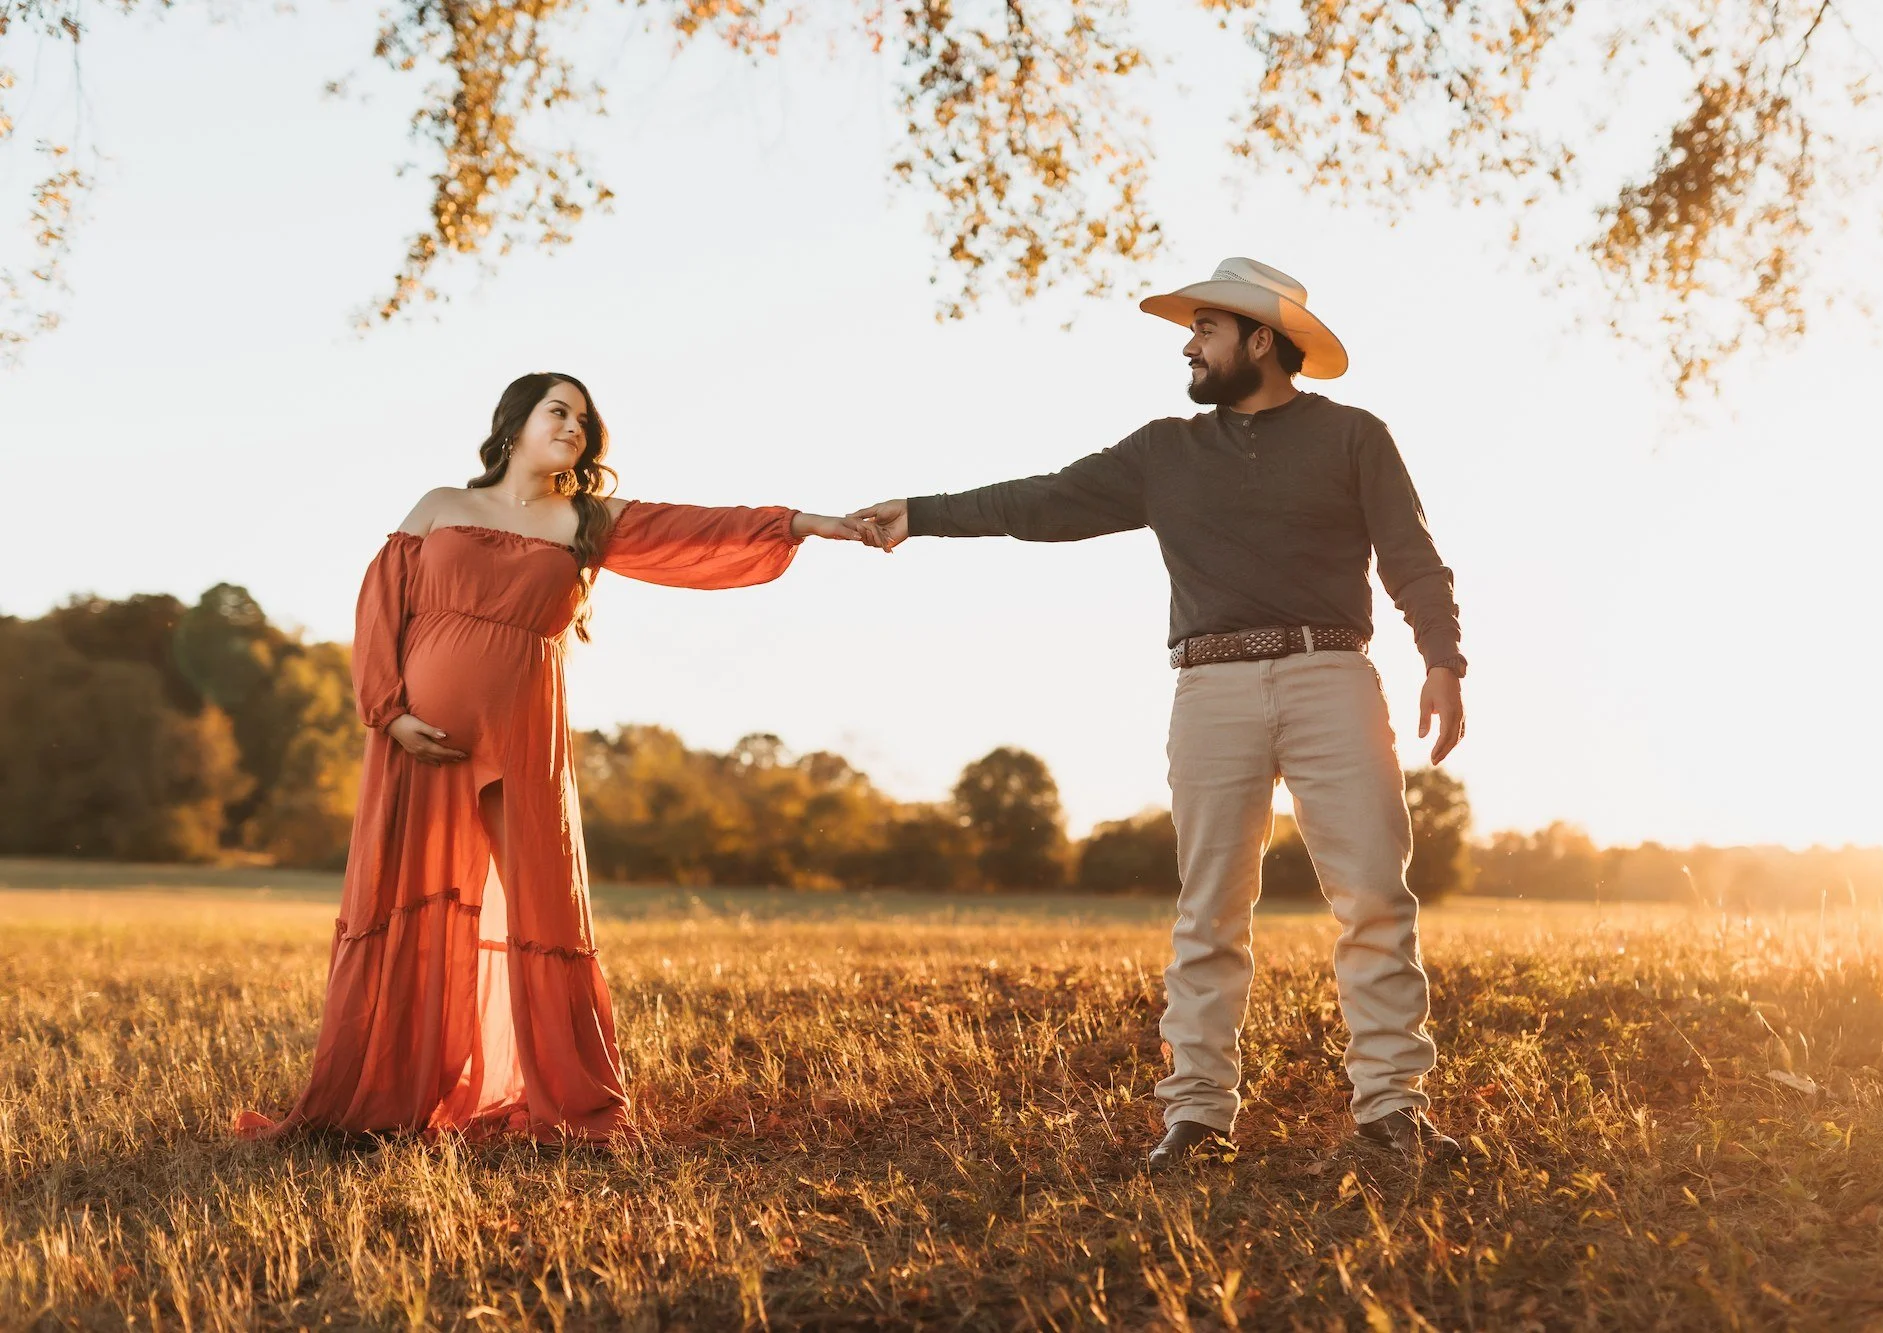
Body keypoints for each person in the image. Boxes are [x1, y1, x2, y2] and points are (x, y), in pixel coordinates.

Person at [851, 258, 1468, 1167]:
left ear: (1261, 340)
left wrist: (1443, 660)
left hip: (1331, 674)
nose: (1188, 344)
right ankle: (1198, 1115)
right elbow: (1043, 500)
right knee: (1209, 908)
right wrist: (923, 512)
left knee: (1375, 893)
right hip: (1209, 686)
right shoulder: (1164, 453)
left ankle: (1392, 1110)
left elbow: (1414, 556)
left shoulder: (1353, 437)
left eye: (1206, 330)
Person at [237, 371, 862, 1143]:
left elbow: (695, 528)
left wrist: (804, 522)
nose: (573, 425)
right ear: (515, 424)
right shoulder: (441, 505)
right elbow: (380, 608)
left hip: (525, 739)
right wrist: (390, 714)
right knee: (408, 901)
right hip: (419, 744)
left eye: (583, 418)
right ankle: (380, 1101)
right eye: (557, 411)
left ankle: (574, 1107)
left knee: (544, 903)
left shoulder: (587, 519)